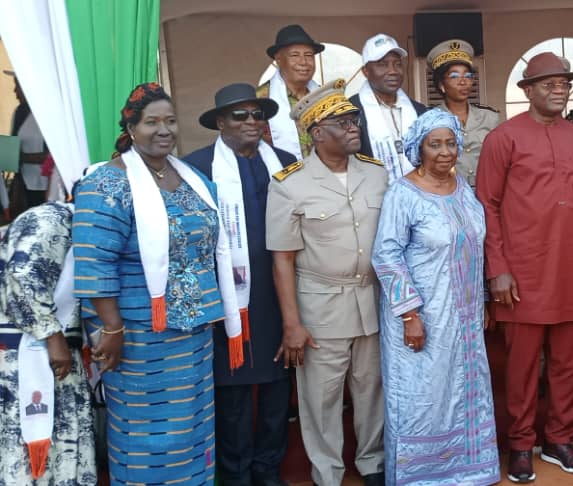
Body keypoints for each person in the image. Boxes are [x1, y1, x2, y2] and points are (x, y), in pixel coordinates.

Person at [73, 82, 246, 484]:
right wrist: (112, 328)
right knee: (147, 433)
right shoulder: (106, 184)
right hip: (137, 337)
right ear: (131, 127)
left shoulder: (192, 178)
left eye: (170, 121)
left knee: (192, 425)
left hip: (194, 334)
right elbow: (94, 262)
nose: (164, 130)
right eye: (152, 122)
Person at [476, 52, 573, 483]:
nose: (558, 89)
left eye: (563, 82)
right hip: (521, 271)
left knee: (568, 363)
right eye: (548, 83)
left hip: (571, 268)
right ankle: (521, 444)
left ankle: (560, 440)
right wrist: (497, 269)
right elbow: (486, 205)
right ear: (527, 91)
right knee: (522, 366)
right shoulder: (502, 138)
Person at [266, 80, 388, 486]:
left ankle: (372, 463)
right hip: (320, 306)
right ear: (317, 133)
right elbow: (282, 260)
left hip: (371, 300)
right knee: (322, 398)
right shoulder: (289, 184)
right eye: (342, 121)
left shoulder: (376, 174)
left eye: (354, 119)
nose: (354, 126)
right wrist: (292, 324)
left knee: (372, 390)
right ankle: (327, 473)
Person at [372, 109, 500, 485]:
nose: (445, 152)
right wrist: (410, 314)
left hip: (465, 313)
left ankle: (471, 469)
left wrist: (484, 301)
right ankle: (422, 474)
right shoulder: (402, 193)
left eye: (450, 143)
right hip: (423, 315)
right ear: (419, 149)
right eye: (434, 144)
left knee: (465, 387)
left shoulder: (463, 187)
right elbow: (387, 254)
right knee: (423, 393)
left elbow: (475, 246)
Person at [184, 83, 297, 486]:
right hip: (226, 297)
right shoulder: (194, 167)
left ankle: (268, 470)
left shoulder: (286, 162)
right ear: (219, 122)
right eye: (240, 115)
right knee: (231, 395)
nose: (252, 122)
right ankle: (235, 475)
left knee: (275, 391)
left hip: (278, 292)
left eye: (257, 114)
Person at [0, 201, 96, 485]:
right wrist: (53, 338)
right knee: (24, 448)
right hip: (25, 350)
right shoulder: (51, 218)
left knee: (63, 442)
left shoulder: (95, 227)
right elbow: (22, 275)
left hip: (62, 348)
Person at [348, 33, 428, 183]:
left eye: (397, 64)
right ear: (365, 71)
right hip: (372, 197)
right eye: (382, 64)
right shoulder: (351, 112)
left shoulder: (419, 111)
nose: (393, 71)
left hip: (418, 195)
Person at [426, 39, 500, 188]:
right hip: (447, 197)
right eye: (454, 76)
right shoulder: (428, 120)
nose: (463, 82)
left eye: (467, 76)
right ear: (441, 85)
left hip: (485, 196)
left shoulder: (490, 118)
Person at [257, 24, 324, 160]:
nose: (304, 62)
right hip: (282, 176)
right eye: (295, 55)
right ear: (279, 60)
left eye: (309, 55)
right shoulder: (261, 99)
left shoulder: (326, 95)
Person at [7, 73, 50, 220]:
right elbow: (13, 146)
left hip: (46, 186)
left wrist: (20, 157)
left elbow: (51, 156)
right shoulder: (20, 112)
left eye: (17, 85)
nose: (15, 91)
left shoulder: (48, 113)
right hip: (24, 184)